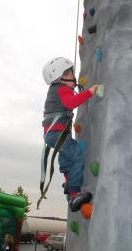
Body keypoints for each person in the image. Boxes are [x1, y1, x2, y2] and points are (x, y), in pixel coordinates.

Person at [42, 57, 98, 212]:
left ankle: (68, 181)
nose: (74, 77)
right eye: (71, 74)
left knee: (67, 156)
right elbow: (70, 103)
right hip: (57, 133)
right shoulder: (61, 89)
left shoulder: (56, 90)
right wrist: (90, 92)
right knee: (76, 155)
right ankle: (74, 194)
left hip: (53, 133)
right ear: (61, 77)